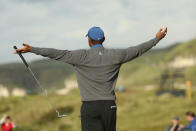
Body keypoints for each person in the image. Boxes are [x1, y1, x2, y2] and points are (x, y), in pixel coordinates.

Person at [14, 26, 167, 131]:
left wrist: (32, 49)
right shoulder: (116, 55)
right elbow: (138, 50)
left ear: (89, 40)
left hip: (90, 107)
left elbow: (56, 53)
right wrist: (156, 39)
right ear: (104, 39)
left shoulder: (81, 56)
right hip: (109, 107)